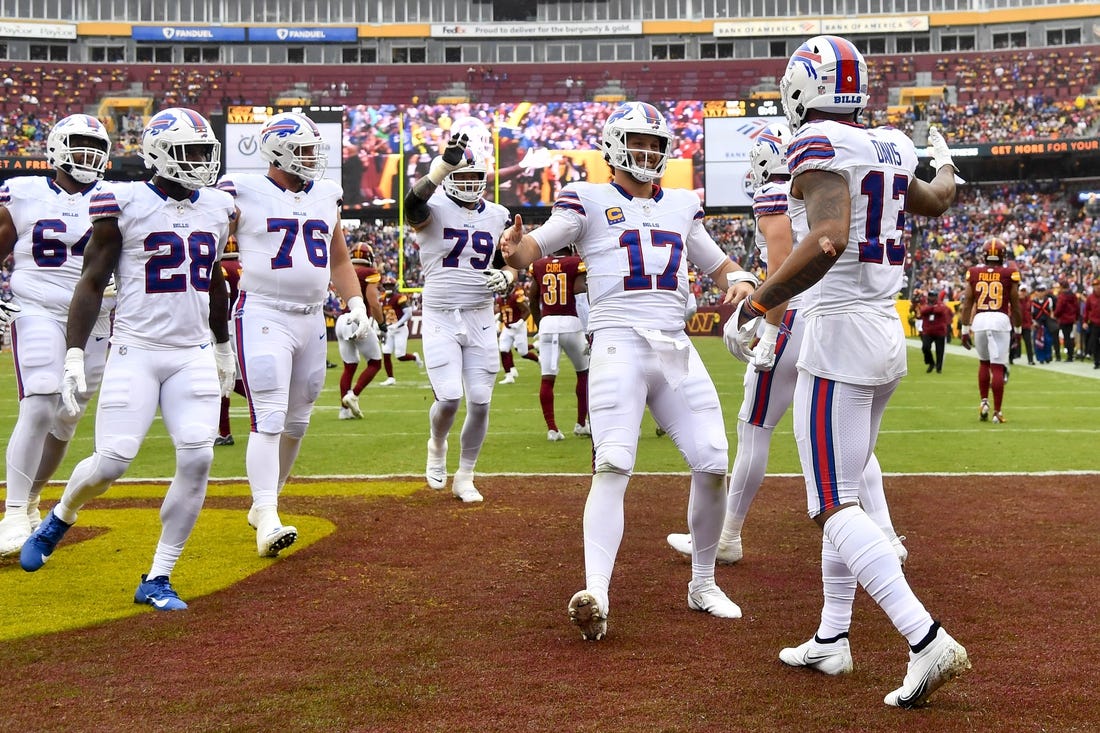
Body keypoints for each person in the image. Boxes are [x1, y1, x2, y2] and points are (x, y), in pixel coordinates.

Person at [726, 37, 969, 707]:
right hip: (884, 330)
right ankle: (833, 637)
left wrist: (759, 302)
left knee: (832, 504)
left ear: (802, 86)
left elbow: (828, 237)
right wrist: (945, 158)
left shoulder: (819, 144)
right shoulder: (889, 143)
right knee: (848, 491)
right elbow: (937, 197)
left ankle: (925, 638)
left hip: (838, 333)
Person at [500, 100, 760, 640]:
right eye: (638, 143)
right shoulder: (589, 199)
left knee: (713, 462)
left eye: (654, 144)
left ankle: (703, 582)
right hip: (617, 342)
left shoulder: (683, 204)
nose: (647, 153)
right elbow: (536, 246)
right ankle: (596, 589)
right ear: (616, 147)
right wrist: (516, 248)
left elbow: (718, 261)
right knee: (613, 463)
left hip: (674, 346)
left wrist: (742, 279)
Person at [20, 107, 237, 612]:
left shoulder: (217, 207)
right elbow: (92, 281)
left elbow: (214, 279)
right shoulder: (126, 201)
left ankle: (159, 576)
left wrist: (223, 345)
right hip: (135, 349)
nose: (202, 162)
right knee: (111, 462)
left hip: (192, 353)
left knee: (199, 457)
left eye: (206, 152)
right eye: (192, 152)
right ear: (159, 153)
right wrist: (74, 353)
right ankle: (63, 513)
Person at [665, 122, 907, 568]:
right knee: (847, 440)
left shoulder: (776, 194)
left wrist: (769, 330)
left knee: (754, 429)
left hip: (792, 317)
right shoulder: (830, 180)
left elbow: (780, 262)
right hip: (829, 318)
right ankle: (887, 536)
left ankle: (728, 536)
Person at [217, 111, 376, 557]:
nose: (312, 159)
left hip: (311, 317)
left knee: (298, 419)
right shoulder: (240, 190)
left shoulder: (326, 193)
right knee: (267, 415)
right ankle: (266, 514)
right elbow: (206, 244)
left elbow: (339, 258)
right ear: (278, 150)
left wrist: (357, 302)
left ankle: (268, 498)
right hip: (263, 311)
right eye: (304, 150)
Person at [0, 114, 114, 557]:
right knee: (43, 397)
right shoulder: (22, 192)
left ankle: (31, 500)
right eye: (79, 144)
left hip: (97, 319)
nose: (87, 154)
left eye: (94, 146)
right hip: (38, 307)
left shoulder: (114, 197)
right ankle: (11, 511)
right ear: (56, 146)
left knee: (65, 417)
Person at [406, 131, 516, 503]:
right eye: (462, 176)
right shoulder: (432, 207)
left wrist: (508, 275)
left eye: (475, 177)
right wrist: (439, 169)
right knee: (450, 397)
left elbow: (508, 264)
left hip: (481, 316)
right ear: (450, 176)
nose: (469, 183)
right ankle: (437, 444)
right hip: (440, 314)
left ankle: (465, 475)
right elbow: (411, 204)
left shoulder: (498, 215)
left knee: (481, 401)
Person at [529, 246, 590, 440]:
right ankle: (581, 423)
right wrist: (588, 329)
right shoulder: (575, 263)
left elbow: (532, 297)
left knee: (547, 378)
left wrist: (541, 324)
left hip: (548, 324)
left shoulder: (539, 265)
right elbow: (580, 296)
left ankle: (552, 429)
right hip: (572, 324)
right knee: (584, 374)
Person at [959, 237, 1021, 424]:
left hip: (980, 320)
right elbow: (1015, 304)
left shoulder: (974, 272)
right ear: (1003, 255)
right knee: (997, 366)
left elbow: (968, 302)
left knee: (984, 363)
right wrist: (1018, 329)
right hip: (1000, 320)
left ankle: (984, 402)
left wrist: (964, 329)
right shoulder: (1010, 273)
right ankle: (997, 412)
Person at [337, 244, 387, 418]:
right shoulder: (369, 272)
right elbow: (373, 302)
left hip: (341, 321)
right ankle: (353, 395)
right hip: (357, 319)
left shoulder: (346, 270)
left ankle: (344, 411)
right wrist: (382, 324)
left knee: (349, 367)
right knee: (374, 363)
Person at [215, 237, 243, 446]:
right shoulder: (243, 267)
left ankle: (224, 431)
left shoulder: (221, 268)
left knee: (222, 380)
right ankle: (265, 407)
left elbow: (220, 297)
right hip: (242, 326)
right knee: (238, 380)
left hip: (223, 329)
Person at [378, 276, 422, 385]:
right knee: (386, 352)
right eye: (386, 285)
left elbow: (408, 313)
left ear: (394, 286)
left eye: (390, 285)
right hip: (388, 329)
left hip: (400, 329)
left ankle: (414, 357)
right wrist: (380, 327)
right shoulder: (382, 299)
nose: (388, 287)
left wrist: (397, 324)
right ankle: (390, 378)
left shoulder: (399, 297)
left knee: (400, 356)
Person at [496, 279, 539, 385]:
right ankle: (509, 375)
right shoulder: (501, 300)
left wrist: (519, 323)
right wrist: (497, 323)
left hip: (519, 328)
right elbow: (504, 314)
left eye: (503, 289)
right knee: (503, 349)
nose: (501, 291)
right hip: (507, 328)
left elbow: (527, 311)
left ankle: (539, 361)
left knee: (523, 353)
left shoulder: (516, 298)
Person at [919, 291, 953, 373]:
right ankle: (931, 362)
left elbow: (941, 310)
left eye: (933, 296)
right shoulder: (926, 304)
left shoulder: (941, 304)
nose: (931, 298)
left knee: (940, 351)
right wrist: (933, 308)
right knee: (925, 347)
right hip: (928, 331)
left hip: (940, 331)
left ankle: (939, 368)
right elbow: (922, 311)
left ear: (936, 297)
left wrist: (931, 309)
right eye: (930, 296)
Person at [1053, 280, 1080, 362]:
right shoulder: (1073, 295)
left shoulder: (1062, 296)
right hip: (1071, 318)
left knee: (1066, 337)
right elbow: (1077, 307)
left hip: (1064, 318)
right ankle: (1071, 355)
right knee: (1069, 336)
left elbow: (1059, 308)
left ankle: (1069, 356)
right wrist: (1076, 317)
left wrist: (1055, 315)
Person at [1017, 284, 1035, 365]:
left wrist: (1031, 322)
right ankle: (1012, 357)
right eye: (1021, 291)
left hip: (1026, 324)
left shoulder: (1029, 302)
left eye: (1024, 291)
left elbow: (1030, 313)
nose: (1023, 293)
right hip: (1016, 324)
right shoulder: (1015, 301)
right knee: (1013, 342)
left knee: (1028, 342)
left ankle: (1030, 360)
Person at [1085, 277, 1100, 369]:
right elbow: (1087, 310)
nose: (1097, 287)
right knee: (1094, 342)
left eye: (1097, 285)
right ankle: (1096, 361)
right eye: (1094, 286)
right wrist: (1085, 321)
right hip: (1095, 323)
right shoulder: (1090, 298)